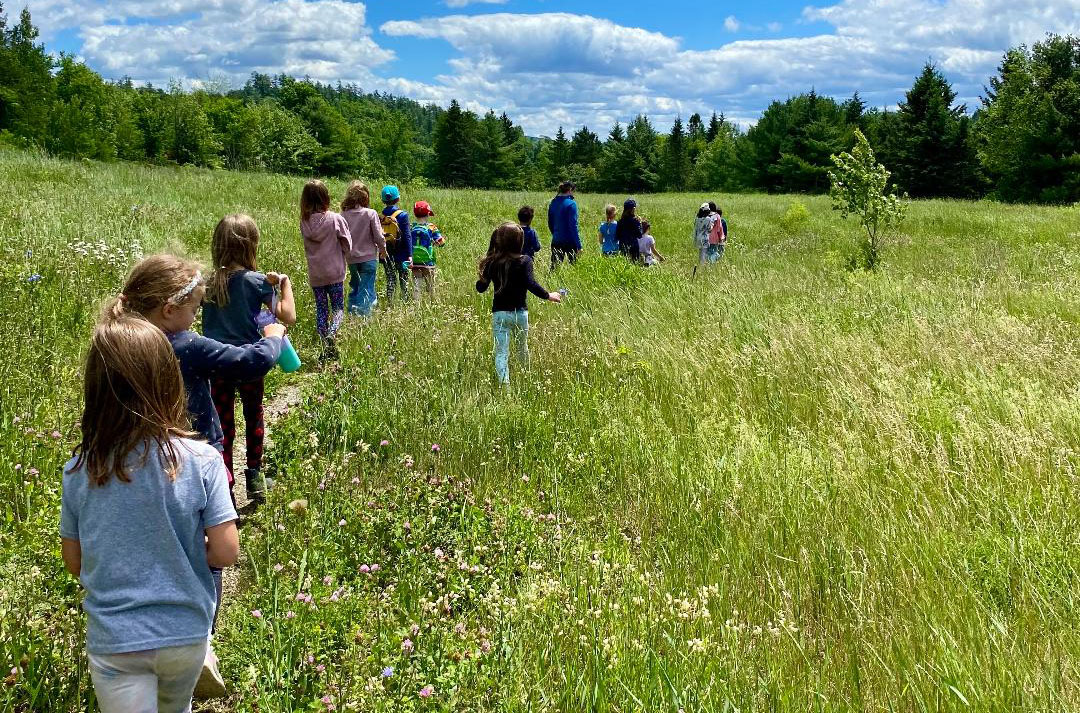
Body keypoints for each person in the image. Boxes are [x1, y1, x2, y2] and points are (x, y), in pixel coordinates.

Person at [110, 253, 284, 697]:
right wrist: (273, 335)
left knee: (152, 544)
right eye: (193, 309)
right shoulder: (183, 344)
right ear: (170, 309)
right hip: (194, 456)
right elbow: (250, 363)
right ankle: (198, 642)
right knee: (208, 547)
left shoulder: (116, 344)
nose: (195, 318)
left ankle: (146, 633)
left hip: (133, 461)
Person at [60, 311, 240, 713]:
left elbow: (74, 562)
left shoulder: (79, 471)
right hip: (185, 633)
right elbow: (226, 551)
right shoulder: (202, 460)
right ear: (168, 382)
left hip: (115, 640)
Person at [203, 214, 296, 502]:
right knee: (253, 415)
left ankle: (225, 491)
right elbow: (287, 316)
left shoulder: (208, 283)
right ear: (250, 245)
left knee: (222, 426)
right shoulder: (257, 282)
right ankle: (255, 477)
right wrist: (284, 283)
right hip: (251, 361)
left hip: (216, 363)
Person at [476, 222, 562, 384]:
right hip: (520, 313)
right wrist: (548, 295)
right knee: (522, 348)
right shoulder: (525, 261)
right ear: (520, 242)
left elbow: (481, 288)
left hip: (500, 314)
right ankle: (526, 379)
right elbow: (531, 284)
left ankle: (505, 387)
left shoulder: (493, 262)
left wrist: (483, 273)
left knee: (501, 352)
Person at [300, 180, 352, 359]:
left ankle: (324, 344)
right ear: (325, 197)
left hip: (316, 274)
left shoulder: (304, 222)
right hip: (335, 272)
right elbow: (347, 243)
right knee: (338, 308)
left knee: (322, 309)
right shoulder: (335, 218)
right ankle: (333, 333)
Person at [341, 181, 385, 316]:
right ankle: (363, 317)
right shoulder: (370, 213)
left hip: (352, 259)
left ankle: (351, 313)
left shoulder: (343, 215)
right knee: (367, 289)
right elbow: (378, 236)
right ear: (366, 197)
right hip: (369, 258)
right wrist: (383, 249)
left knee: (355, 286)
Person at [380, 185, 412, 302]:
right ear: (398, 199)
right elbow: (407, 236)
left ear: (383, 200)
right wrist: (410, 254)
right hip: (402, 254)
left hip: (387, 254)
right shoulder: (403, 215)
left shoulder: (382, 216)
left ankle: (390, 301)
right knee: (404, 278)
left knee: (390, 278)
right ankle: (405, 300)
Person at [410, 200, 445, 299]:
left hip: (415, 262)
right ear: (428, 214)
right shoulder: (431, 227)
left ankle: (416, 305)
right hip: (428, 262)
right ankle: (432, 303)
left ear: (415, 214)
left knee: (417, 287)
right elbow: (441, 243)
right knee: (430, 286)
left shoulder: (412, 226)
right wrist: (436, 242)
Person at [547, 180, 581, 269]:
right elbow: (573, 226)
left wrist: (555, 234)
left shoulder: (553, 203)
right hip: (570, 240)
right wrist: (579, 245)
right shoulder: (572, 204)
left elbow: (550, 223)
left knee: (554, 268)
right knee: (574, 268)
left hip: (557, 240)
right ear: (570, 190)